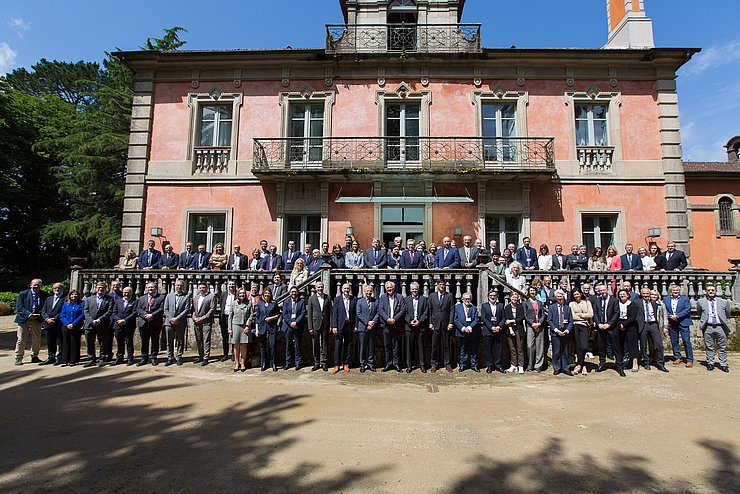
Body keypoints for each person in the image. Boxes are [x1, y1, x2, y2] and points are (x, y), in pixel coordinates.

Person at [696, 284, 732, 372]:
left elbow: (728, 313)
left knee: (722, 346)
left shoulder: (723, 302)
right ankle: (710, 363)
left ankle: (723, 364)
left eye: (712, 290)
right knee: (709, 346)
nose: (711, 292)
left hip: (720, 327)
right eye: (709, 290)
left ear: (715, 291)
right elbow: (699, 312)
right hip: (708, 326)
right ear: (705, 292)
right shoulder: (701, 302)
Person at [14, 278, 48, 365]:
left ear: (41, 286)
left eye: (38, 285)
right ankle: (18, 357)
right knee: (21, 339)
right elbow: (19, 307)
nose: (36, 286)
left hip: (37, 319)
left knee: (36, 338)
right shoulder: (23, 294)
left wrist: (38, 315)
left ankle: (34, 356)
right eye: (35, 284)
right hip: (24, 319)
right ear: (30, 285)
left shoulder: (44, 295)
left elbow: (45, 307)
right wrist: (29, 315)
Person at [593, 283, 625, 376]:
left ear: (607, 290)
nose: (602, 292)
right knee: (601, 347)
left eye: (604, 290)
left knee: (616, 347)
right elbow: (595, 313)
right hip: (601, 327)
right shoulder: (597, 300)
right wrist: (598, 324)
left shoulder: (614, 300)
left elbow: (616, 313)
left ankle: (620, 366)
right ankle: (602, 363)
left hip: (611, 327)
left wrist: (609, 324)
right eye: (600, 291)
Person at [636, 287, 669, 373]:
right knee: (643, 345)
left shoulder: (654, 303)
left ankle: (660, 363)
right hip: (643, 325)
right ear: (641, 294)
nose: (646, 295)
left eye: (647, 294)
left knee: (658, 344)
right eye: (644, 294)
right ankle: (646, 362)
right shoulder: (637, 303)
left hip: (653, 324)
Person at [83, 281, 113, 367]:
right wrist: (91, 320)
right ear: (96, 289)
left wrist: (99, 320)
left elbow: (109, 311)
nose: (100, 289)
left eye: (102, 288)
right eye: (98, 288)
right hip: (90, 324)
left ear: (105, 290)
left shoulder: (109, 299)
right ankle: (91, 359)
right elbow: (86, 311)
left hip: (102, 324)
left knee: (103, 342)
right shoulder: (89, 299)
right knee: (89, 342)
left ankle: (102, 359)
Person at [163, 278, 191, 366]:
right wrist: (171, 318)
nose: (179, 287)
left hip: (180, 322)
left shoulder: (186, 296)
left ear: (183, 287)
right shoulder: (169, 296)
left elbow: (187, 309)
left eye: (180, 285)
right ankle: (169, 357)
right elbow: (165, 309)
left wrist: (177, 318)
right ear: (175, 286)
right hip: (169, 322)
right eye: (177, 285)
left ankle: (179, 357)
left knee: (180, 340)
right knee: (169, 341)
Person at [379, 281, 406, 372]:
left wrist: (394, 319)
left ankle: (396, 364)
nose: (389, 289)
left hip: (396, 324)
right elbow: (381, 310)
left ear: (394, 288)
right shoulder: (382, 297)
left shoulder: (400, 297)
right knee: (387, 346)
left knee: (396, 346)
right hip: (386, 325)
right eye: (388, 288)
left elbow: (403, 310)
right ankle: (388, 364)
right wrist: (387, 319)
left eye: (390, 287)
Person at [664, 284, 693, 367]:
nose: (675, 292)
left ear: (679, 291)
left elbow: (687, 309)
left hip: (683, 321)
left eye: (677, 290)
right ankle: (677, 357)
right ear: (671, 291)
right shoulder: (666, 299)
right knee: (674, 341)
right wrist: (670, 316)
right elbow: (664, 309)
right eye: (674, 290)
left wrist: (677, 316)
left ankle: (689, 359)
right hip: (672, 323)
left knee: (686, 341)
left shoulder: (685, 299)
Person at [429, 280, 455, 373]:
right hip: (435, 324)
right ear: (436, 286)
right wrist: (430, 322)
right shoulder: (432, 296)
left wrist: (451, 322)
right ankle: (434, 364)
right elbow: (430, 310)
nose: (441, 286)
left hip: (446, 323)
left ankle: (447, 364)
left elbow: (452, 309)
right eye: (440, 285)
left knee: (446, 345)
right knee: (434, 345)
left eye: (443, 285)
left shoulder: (449, 296)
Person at [331, 282, 357, 374]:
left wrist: (355, 325)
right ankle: (336, 364)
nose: (346, 290)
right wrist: (334, 326)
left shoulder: (354, 299)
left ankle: (346, 364)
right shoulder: (337, 299)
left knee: (348, 345)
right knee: (338, 345)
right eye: (345, 288)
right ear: (342, 289)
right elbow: (334, 313)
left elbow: (355, 314)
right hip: (339, 325)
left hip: (349, 325)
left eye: (348, 289)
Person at [404, 282, 430, 373]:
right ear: (410, 290)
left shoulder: (424, 299)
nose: (414, 291)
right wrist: (410, 321)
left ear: (418, 289)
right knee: (409, 347)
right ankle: (409, 366)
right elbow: (405, 313)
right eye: (413, 289)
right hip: (409, 327)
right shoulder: (406, 299)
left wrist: (419, 321)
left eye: (416, 289)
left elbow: (426, 313)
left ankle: (422, 365)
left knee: (421, 347)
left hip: (420, 326)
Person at [307, 281, 332, 371]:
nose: (320, 289)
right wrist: (310, 327)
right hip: (315, 324)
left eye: (321, 287)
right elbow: (309, 313)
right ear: (315, 288)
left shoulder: (327, 297)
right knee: (315, 344)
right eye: (318, 287)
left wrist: (331, 325)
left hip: (325, 324)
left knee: (325, 344)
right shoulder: (311, 298)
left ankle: (324, 362)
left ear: (323, 287)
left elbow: (330, 312)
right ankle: (316, 362)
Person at [548, 290, 574, 376]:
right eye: (558, 297)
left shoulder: (567, 308)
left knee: (565, 351)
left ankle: (566, 368)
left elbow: (571, 321)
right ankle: (557, 368)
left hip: (565, 332)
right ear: (556, 298)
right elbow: (550, 320)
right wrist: (556, 330)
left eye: (561, 296)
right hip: (556, 332)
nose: (560, 298)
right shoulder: (552, 307)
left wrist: (567, 330)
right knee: (556, 351)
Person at [191, 281, 216, 366]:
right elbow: (193, 309)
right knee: (199, 340)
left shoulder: (211, 297)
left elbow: (212, 310)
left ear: (207, 288)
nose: (202, 289)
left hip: (206, 322)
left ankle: (206, 357)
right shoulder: (196, 297)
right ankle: (200, 355)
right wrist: (194, 317)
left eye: (203, 288)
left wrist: (202, 318)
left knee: (206, 340)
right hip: (197, 322)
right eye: (200, 288)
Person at [355, 283, 379, 373]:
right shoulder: (359, 301)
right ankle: (362, 364)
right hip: (363, 327)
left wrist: (373, 322)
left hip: (372, 327)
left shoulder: (375, 301)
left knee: (371, 346)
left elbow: (378, 312)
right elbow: (359, 314)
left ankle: (370, 363)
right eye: (367, 291)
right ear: (364, 292)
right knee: (362, 346)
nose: (369, 292)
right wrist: (367, 322)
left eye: (370, 291)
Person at [40, 282, 65, 366]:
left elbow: (63, 311)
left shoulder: (65, 299)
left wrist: (54, 318)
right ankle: (51, 357)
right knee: (50, 341)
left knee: (60, 341)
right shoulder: (48, 299)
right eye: (55, 288)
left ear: (62, 289)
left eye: (59, 288)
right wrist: (47, 318)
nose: (57, 290)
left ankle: (60, 357)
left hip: (58, 323)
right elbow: (44, 310)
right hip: (48, 323)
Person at [112, 286, 138, 366]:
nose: (126, 294)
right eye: (124, 292)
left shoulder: (135, 302)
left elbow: (134, 313)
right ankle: (119, 358)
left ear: (131, 293)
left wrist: (125, 320)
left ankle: (130, 358)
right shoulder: (118, 301)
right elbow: (114, 312)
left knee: (129, 342)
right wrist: (118, 320)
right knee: (119, 342)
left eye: (128, 292)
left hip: (129, 325)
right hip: (118, 325)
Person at [255, 288, 281, 371]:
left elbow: (278, 314)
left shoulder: (273, 303)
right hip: (262, 327)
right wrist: (256, 329)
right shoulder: (260, 303)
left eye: (268, 293)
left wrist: (272, 318)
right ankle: (263, 363)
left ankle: (273, 363)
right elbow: (257, 317)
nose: (267, 295)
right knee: (262, 346)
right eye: (265, 294)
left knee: (272, 346)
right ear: (263, 295)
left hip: (272, 327)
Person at [229, 288, 254, 372]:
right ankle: (236, 363)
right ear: (237, 294)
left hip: (245, 326)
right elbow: (230, 316)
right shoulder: (233, 303)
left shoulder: (249, 303)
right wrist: (229, 328)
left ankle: (243, 363)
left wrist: (248, 325)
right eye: (240, 294)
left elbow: (251, 315)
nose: (242, 295)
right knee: (236, 346)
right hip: (235, 325)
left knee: (244, 345)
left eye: (243, 294)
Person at [454, 292, 480, 372]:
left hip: (472, 331)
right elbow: (455, 319)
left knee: (474, 348)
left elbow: (476, 319)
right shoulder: (457, 307)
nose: (467, 300)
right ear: (462, 299)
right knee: (463, 348)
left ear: (471, 299)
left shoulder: (474, 308)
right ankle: (462, 365)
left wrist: (469, 327)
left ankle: (474, 365)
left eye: (469, 299)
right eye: (466, 299)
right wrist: (463, 328)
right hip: (462, 331)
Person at [569, 288, 593, 375]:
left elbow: (591, 314)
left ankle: (580, 364)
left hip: (585, 326)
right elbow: (572, 316)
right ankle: (582, 366)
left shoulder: (587, 302)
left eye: (577, 294)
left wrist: (580, 315)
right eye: (574, 294)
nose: (576, 296)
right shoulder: (571, 304)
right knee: (578, 346)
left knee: (584, 346)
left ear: (580, 294)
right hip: (575, 326)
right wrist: (584, 316)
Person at [281, 286, 306, 370]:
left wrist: (296, 322)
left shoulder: (301, 301)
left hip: (297, 325)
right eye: (292, 292)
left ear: (297, 293)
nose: (293, 293)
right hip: (288, 325)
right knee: (288, 344)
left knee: (298, 344)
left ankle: (298, 363)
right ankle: (288, 363)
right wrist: (290, 322)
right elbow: (284, 314)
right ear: (289, 293)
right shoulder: (286, 301)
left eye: (295, 292)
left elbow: (303, 313)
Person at [481, 289, 505, 374]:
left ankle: (498, 365)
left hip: (498, 330)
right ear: (488, 296)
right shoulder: (484, 306)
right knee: (488, 349)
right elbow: (483, 318)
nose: (492, 297)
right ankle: (489, 365)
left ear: (497, 296)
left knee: (498, 349)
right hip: (488, 330)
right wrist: (491, 327)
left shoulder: (501, 305)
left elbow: (503, 317)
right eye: (491, 295)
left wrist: (499, 326)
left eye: (494, 295)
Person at [523, 286, 547, 372]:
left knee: (540, 346)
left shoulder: (540, 302)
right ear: (529, 292)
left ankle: (538, 365)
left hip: (539, 325)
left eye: (534, 291)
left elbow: (543, 314)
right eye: (531, 291)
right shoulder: (525, 302)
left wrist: (539, 323)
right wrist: (532, 323)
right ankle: (530, 365)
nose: (533, 292)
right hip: (530, 326)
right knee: (530, 346)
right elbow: (525, 315)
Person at [59, 290, 85, 366]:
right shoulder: (66, 304)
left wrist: (74, 324)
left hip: (76, 326)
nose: (74, 296)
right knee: (65, 342)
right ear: (69, 296)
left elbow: (82, 315)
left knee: (74, 342)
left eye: (76, 294)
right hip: (66, 326)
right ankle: (64, 360)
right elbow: (62, 315)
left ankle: (73, 360)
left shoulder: (82, 304)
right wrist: (67, 323)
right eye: (72, 294)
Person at [617, 288, 639, 372]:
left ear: (628, 295)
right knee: (621, 345)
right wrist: (620, 324)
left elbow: (633, 317)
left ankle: (635, 363)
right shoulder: (617, 304)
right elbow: (615, 314)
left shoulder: (633, 305)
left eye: (624, 294)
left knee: (632, 345)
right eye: (620, 294)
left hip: (631, 326)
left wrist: (624, 324)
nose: (622, 296)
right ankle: (622, 362)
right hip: (619, 326)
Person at [218, 280, 237, 362]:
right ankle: (225, 354)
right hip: (224, 318)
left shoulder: (237, 294)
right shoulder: (223, 294)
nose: (231, 286)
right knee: (225, 337)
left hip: (234, 318)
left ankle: (233, 354)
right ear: (227, 285)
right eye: (230, 284)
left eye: (233, 284)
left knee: (233, 336)